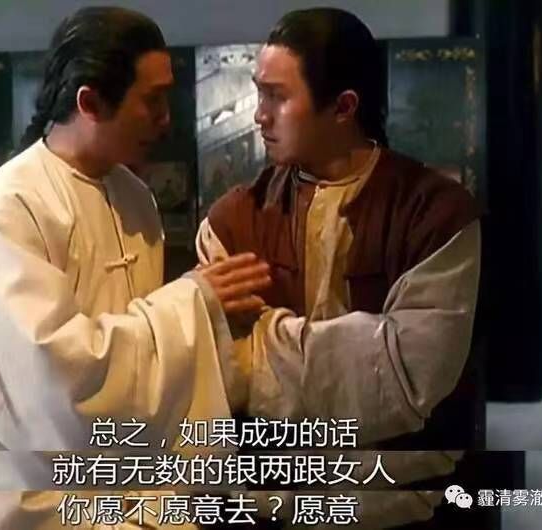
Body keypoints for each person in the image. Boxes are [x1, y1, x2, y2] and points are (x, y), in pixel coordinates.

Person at [0, 7, 270, 529]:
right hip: (29, 499)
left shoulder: (135, 198)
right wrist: (192, 303)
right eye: (152, 100)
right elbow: (56, 386)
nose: (166, 119)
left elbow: (143, 366)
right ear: (89, 102)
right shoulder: (8, 212)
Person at [196, 8, 486, 528]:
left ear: (344, 107)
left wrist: (258, 342)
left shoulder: (435, 216)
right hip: (266, 508)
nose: (259, 115)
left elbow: (406, 381)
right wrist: (360, 347)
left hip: (400, 508)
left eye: (277, 97)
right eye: (259, 94)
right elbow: (209, 366)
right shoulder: (233, 221)